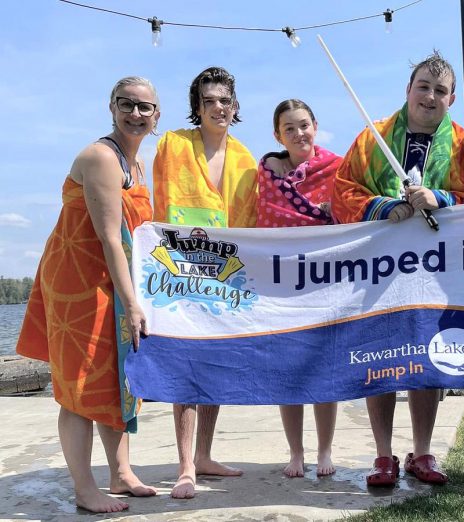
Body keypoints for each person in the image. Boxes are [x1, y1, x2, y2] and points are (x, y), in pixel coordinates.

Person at [331, 51, 464, 487]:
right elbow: (341, 191)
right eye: (423, 86)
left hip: (437, 273)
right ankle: (383, 454)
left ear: (452, 98)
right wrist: (381, 206)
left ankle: (422, 450)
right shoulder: (372, 138)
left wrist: (444, 199)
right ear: (408, 90)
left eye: (440, 90)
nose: (430, 96)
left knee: (428, 356)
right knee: (379, 358)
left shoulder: (463, 145)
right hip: (379, 272)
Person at [16, 77, 159, 512]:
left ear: (157, 117)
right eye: (126, 104)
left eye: (145, 107)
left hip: (111, 281)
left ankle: (120, 473)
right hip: (82, 284)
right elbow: (111, 237)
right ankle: (84, 488)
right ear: (111, 107)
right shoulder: (101, 157)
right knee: (80, 386)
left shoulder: (135, 164)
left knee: (116, 375)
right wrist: (134, 302)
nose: (135, 113)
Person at [152, 66, 257, 499]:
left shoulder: (247, 159)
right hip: (177, 275)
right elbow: (157, 204)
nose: (218, 107)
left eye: (225, 100)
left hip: (225, 278)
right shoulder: (173, 144)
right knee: (185, 371)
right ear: (198, 107)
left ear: (235, 107)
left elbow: (250, 227)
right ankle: (184, 467)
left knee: (214, 368)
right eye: (209, 100)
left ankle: (205, 455)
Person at [257, 99, 342, 476]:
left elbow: (351, 212)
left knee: (324, 369)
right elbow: (261, 221)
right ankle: (296, 452)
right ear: (278, 135)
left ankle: (324, 451)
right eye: (289, 128)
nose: (299, 133)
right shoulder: (265, 175)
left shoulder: (338, 169)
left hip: (326, 281)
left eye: (304, 125)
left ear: (316, 126)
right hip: (283, 286)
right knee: (288, 371)